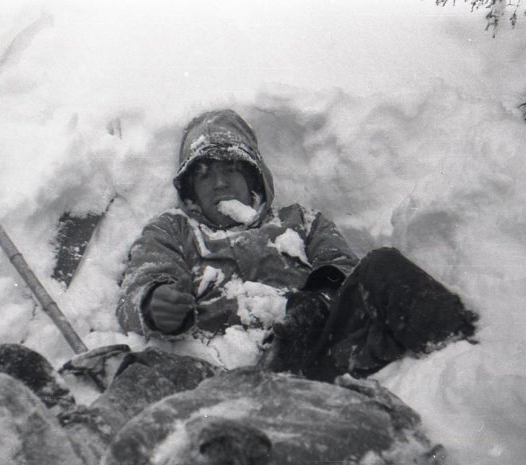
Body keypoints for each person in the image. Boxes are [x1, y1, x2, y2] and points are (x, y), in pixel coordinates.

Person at [116, 108, 477, 381]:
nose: (219, 183)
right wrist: (153, 302)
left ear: (253, 174)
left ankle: (467, 373)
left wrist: (316, 302)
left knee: (385, 267)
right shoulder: (174, 228)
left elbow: (346, 270)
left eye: (230, 169)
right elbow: (145, 276)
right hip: (220, 372)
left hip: (317, 354)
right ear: (190, 189)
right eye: (204, 174)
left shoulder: (300, 221)